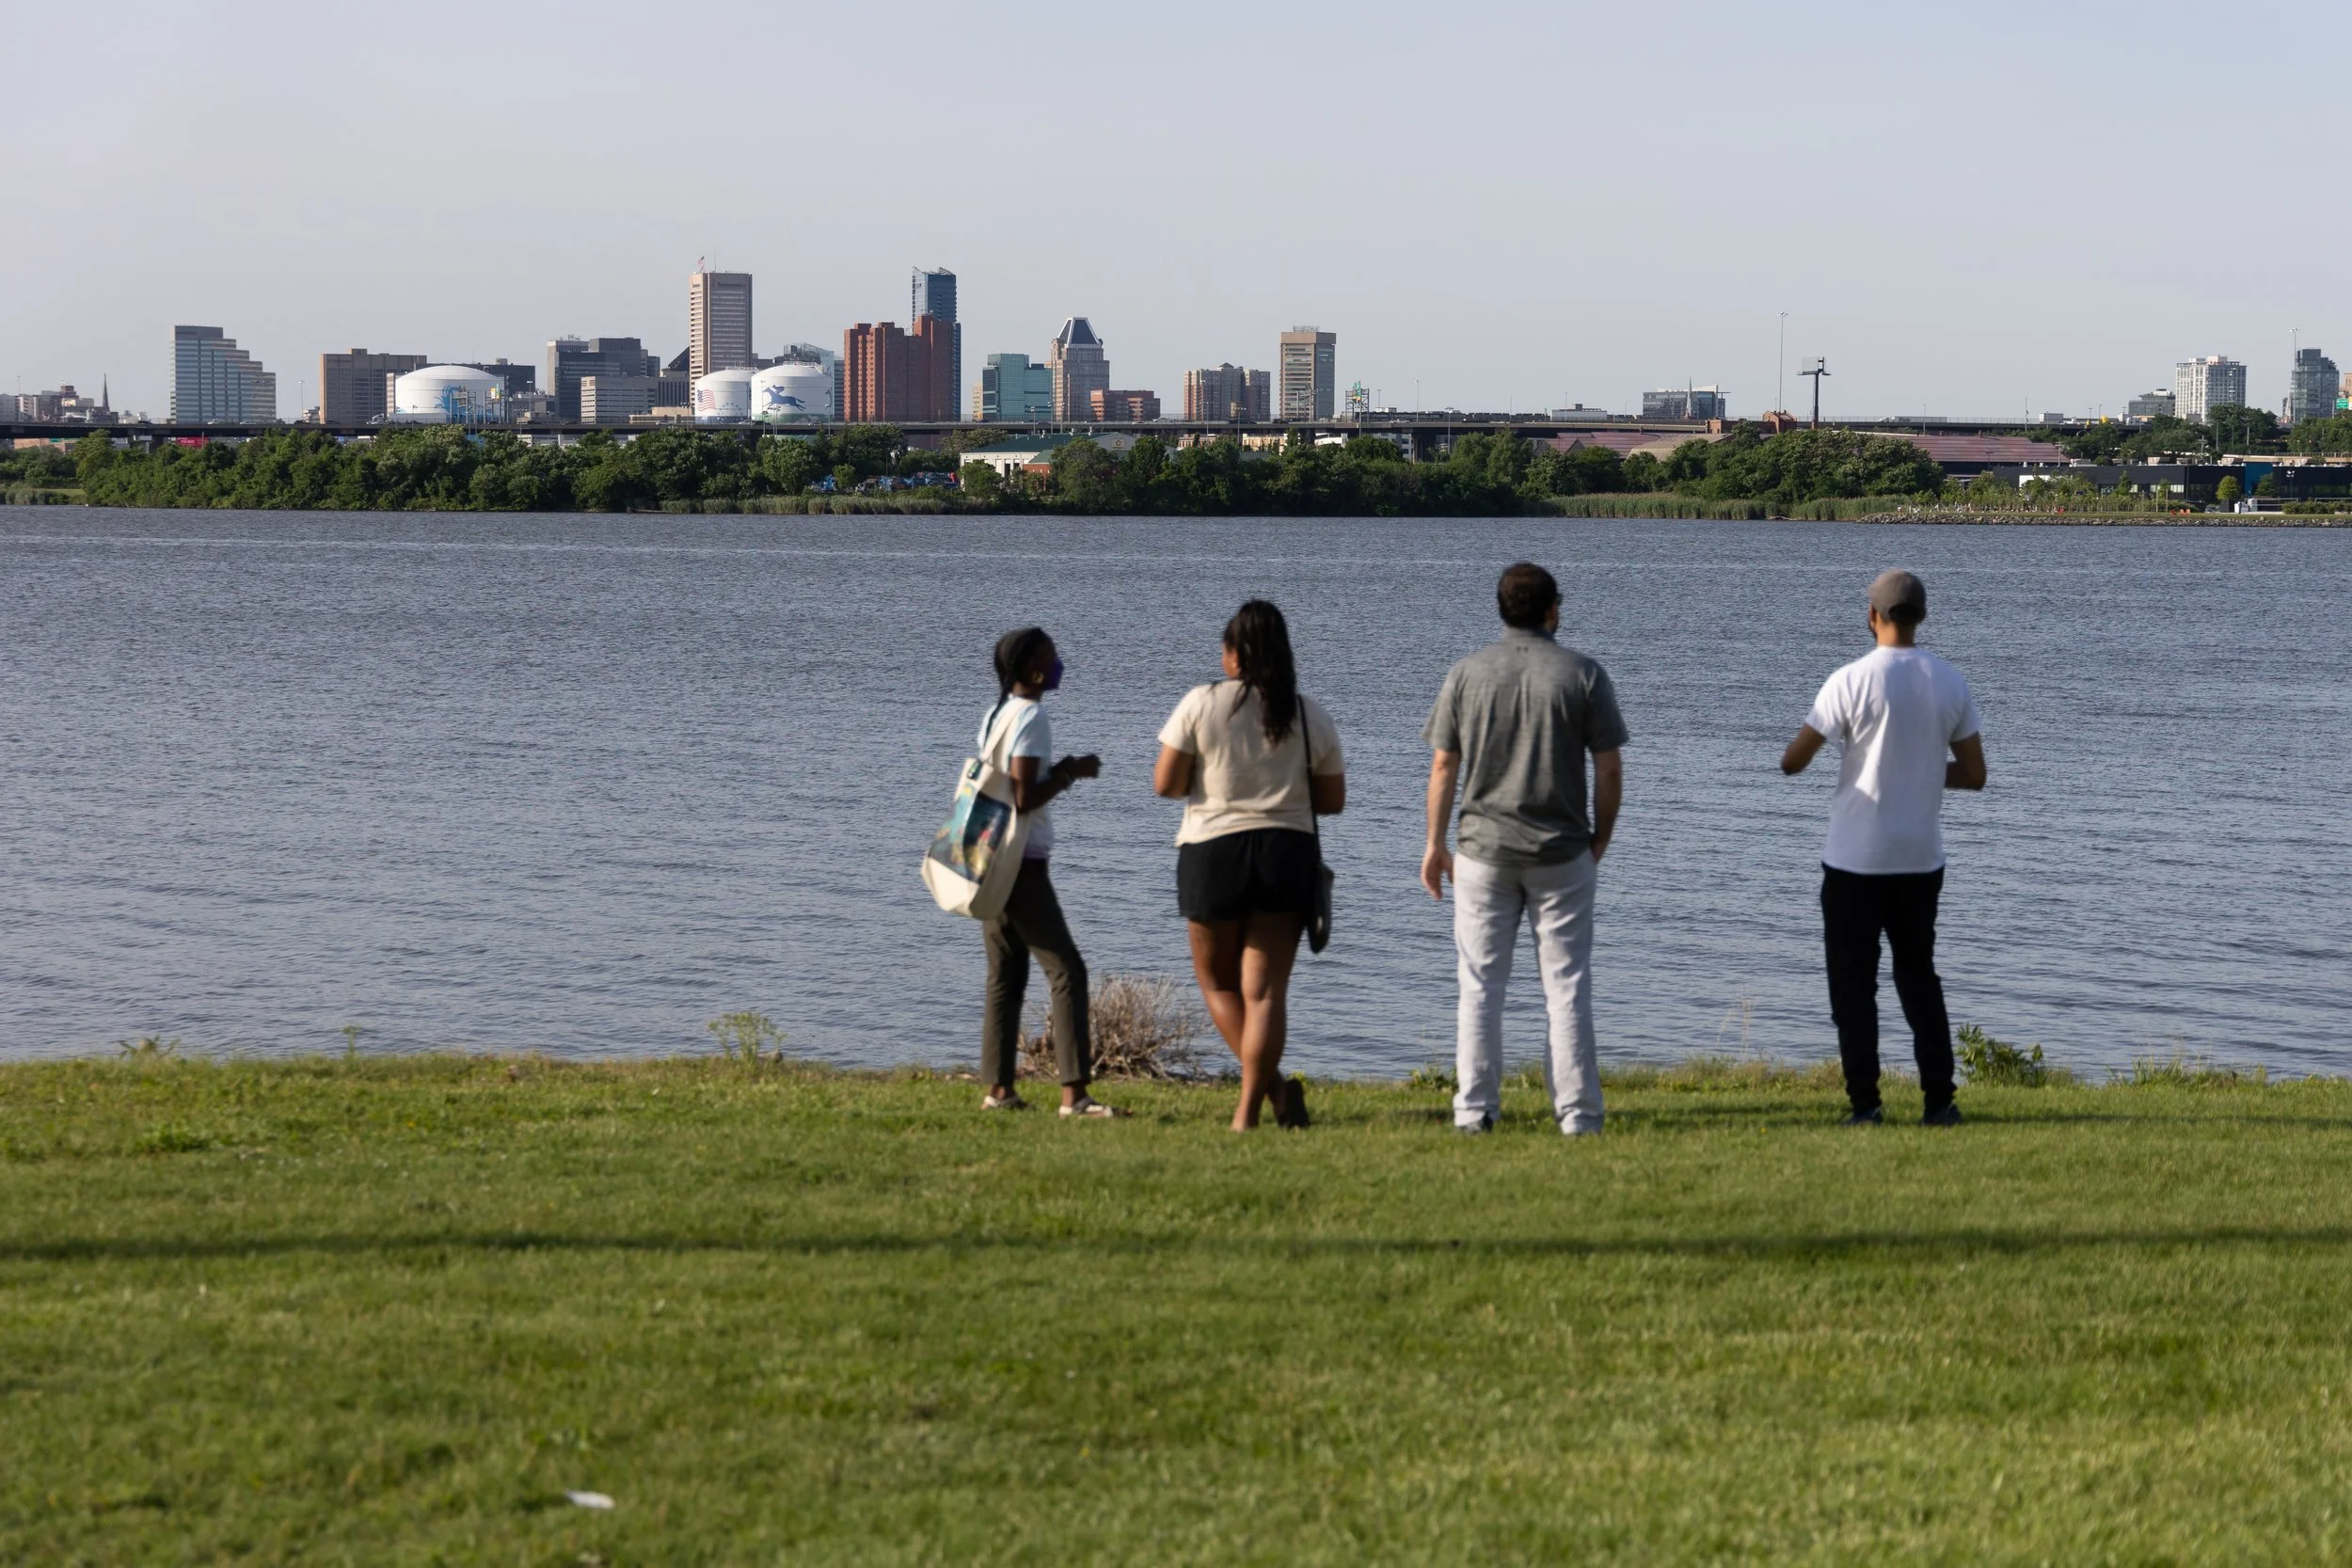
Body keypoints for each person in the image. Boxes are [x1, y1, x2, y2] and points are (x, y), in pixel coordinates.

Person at [1422, 563, 1628, 1137]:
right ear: (1552, 609)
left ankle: (1474, 1111)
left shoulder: (1466, 673)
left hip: (1481, 854)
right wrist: (1601, 837)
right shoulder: (1584, 674)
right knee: (1566, 987)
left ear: (1501, 608)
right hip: (1562, 853)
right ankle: (1578, 1116)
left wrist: (1435, 844)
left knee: (1480, 987)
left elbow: (1443, 766)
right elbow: (1609, 769)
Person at [1780, 569, 1986, 1128]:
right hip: (1920, 860)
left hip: (1854, 860)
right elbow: (1974, 775)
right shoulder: (1950, 682)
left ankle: (1866, 1106)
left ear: (1871, 616)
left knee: (1854, 987)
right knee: (1919, 979)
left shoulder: (1848, 680)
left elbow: (1793, 761)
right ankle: (1939, 1103)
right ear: (1922, 616)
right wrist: (1921, 772)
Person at [1153, 600, 1345, 1131]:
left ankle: (1275, 1096)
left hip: (1213, 853)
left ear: (1235, 655)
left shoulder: (1200, 702)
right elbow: (1332, 801)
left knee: (1220, 986)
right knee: (1265, 994)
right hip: (1286, 855)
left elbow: (1166, 784)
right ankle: (1253, 1112)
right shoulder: (1309, 713)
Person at [975, 626, 1124, 1117]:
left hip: (989, 857)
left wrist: (1058, 770)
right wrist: (1070, 772)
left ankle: (999, 1091)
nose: (1058, 662)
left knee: (1006, 974)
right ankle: (1074, 1097)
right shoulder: (1033, 717)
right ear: (1032, 669)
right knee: (1067, 971)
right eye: (1051, 655)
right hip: (1021, 864)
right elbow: (1024, 797)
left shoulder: (996, 714)